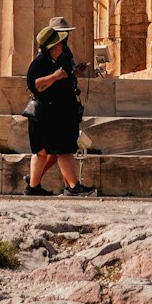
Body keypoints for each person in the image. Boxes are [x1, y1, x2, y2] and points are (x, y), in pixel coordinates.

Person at [24, 24, 90, 196]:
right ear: (51, 47)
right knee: (54, 151)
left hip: (54, 114)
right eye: (58, 44)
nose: (62, 46)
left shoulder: (54, 60)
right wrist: (54, 77)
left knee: (47, 152)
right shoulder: (40, 62)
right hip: (43, 115)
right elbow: (34, 84)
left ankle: (34, 186)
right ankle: (73, 187)